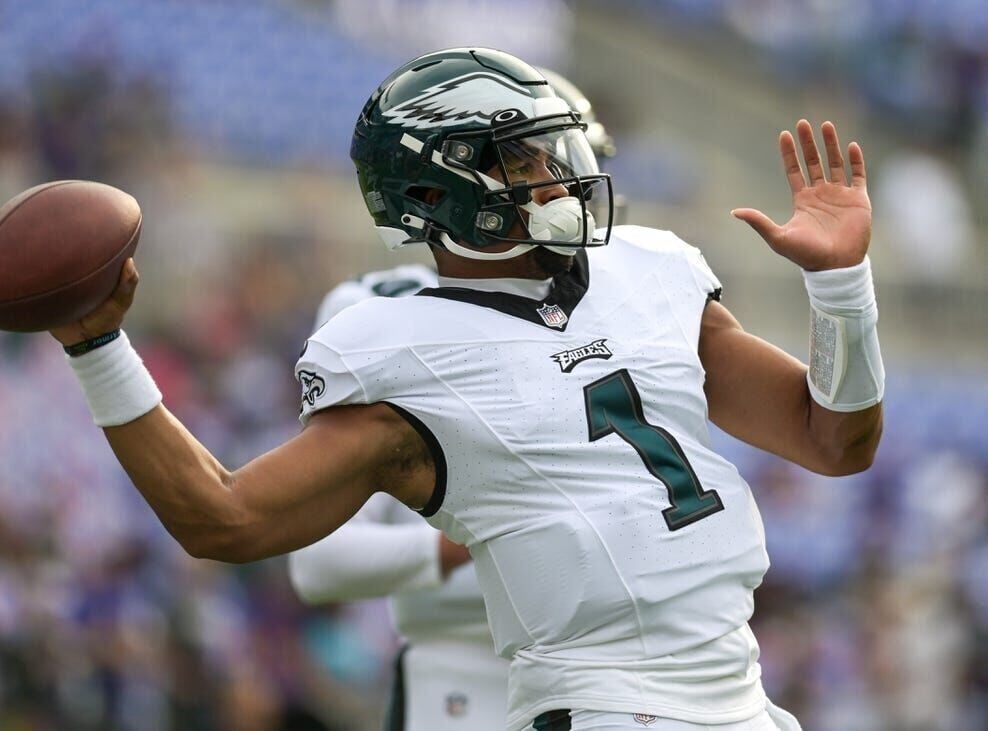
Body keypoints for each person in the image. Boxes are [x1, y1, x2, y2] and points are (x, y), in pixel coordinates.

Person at [49, 48, 883, 731]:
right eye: (521, 160)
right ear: (431, 194)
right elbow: (223, 516)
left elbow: (835, 440)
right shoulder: (400, 347)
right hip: (600, 704)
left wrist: (842, 286)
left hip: (743, 694)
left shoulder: (649, 270)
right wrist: (98, 345)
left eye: (554, 152)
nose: (557, 177)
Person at [287, 70, 621, 731]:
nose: (561, 188)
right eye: (532, 164)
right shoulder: (385, 317)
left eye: (572, 162)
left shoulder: (620, 311)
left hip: (611, 679)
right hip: (463, 681)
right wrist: (481, 539)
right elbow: (316, 562)